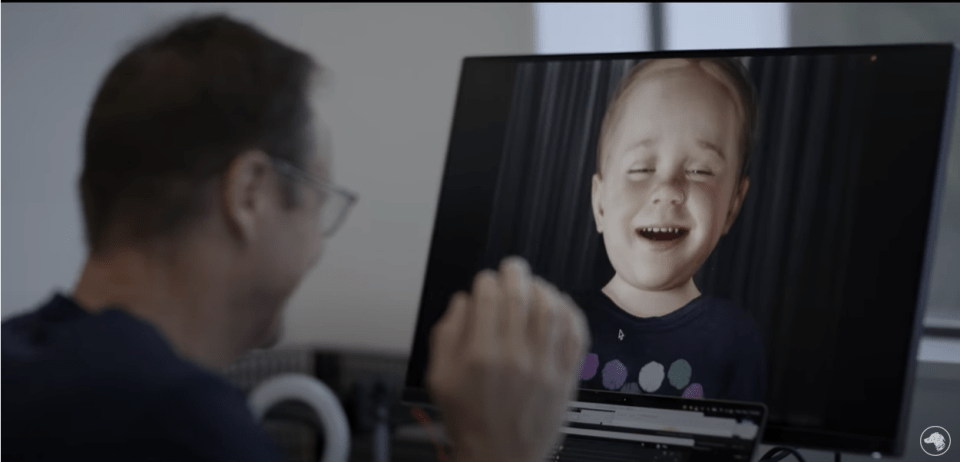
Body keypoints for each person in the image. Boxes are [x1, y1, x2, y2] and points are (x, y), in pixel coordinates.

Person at [1, 13, 589, 462]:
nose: (319, 246)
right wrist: (497, 445)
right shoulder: (175, 422)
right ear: (250, 193)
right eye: (319, 200)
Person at [574, 58, 766, 402]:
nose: (667, 189)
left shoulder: (733, 338)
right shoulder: (555, 324)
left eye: (701, 171)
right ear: (600, 203)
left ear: (732, 206)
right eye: (642, 167)